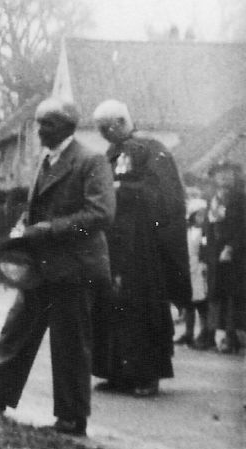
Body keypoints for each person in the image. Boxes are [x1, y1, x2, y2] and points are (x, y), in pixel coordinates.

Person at [0, 98, 114, 437]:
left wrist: (48, 229)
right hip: (41, 267)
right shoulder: (47, 160)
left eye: (47, 124)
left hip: (75, 269)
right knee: (16, 331)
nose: (39, 131)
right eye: (39, 123)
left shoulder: (91, 160)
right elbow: (37, 209)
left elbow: (101, 214)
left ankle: (72, 418)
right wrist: (22, 226)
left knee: (70, 344)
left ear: (67, 127)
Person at [90, 100, 190, 396]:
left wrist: (121, 190)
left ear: (121, 122)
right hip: (113, 243)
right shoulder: (111, 153)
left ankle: (146, 374)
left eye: (106, 128)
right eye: (99, 130)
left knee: (140, 307)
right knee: (111, 305)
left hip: (141, 245)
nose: (103, 135)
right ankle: (116, 372)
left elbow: (166, 196)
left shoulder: (152, 149)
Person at [204, 160, 244, 354]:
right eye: (219, 173)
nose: (223, 177)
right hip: (215, 255)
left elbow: (243, 227)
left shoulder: (241, 199)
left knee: (233, 296)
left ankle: (232, 336)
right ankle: (213, 335)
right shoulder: (212, 199)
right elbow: (208, 228)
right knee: (216, 295)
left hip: (237, 255)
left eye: (228, 173)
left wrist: (231, 247)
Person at [177, 200, 211, 349]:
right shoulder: (187, 231)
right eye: (198, 215)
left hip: (199, 267)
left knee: (201, 302)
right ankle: (188, 333)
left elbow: (205, 249)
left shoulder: (204, 232)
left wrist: (204, 263)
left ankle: (204, 332)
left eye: (203, 216)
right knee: (188, 301)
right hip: (188, 267)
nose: (201, 219)